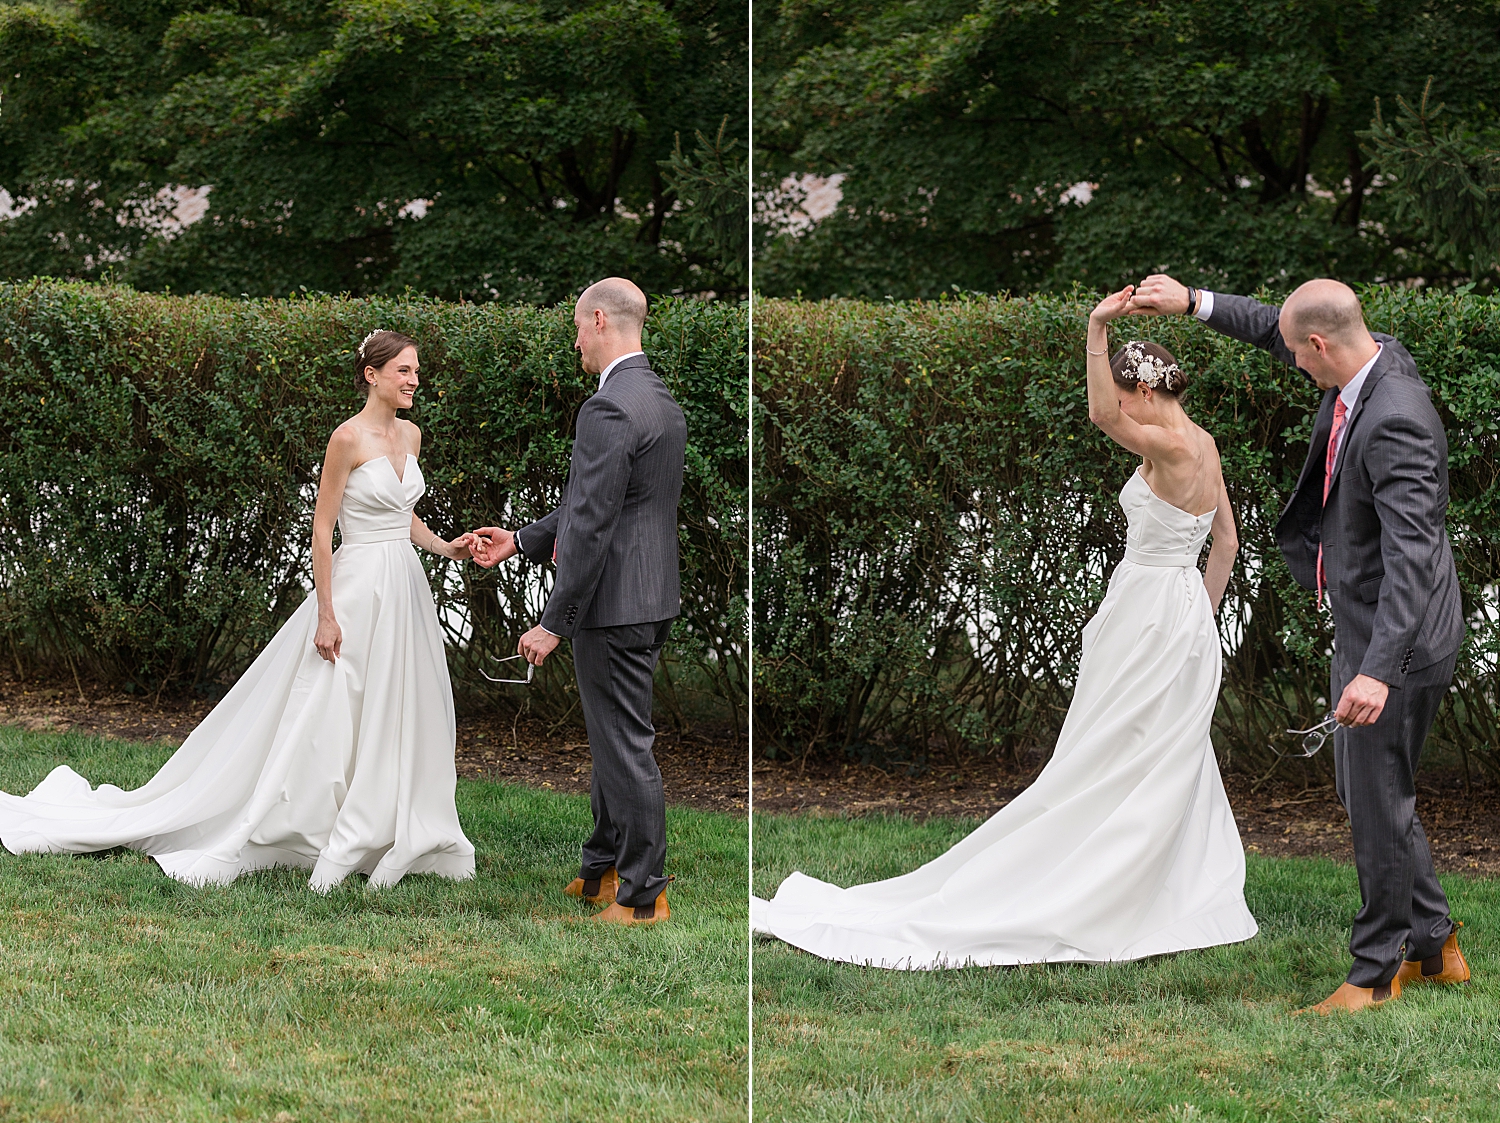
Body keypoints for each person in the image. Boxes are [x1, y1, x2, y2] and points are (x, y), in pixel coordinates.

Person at [750, 285, 1258, 967]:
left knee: (1104, 751)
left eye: (1124, 391)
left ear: (1141, 389)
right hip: (1187, 614)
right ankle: (1156, 892)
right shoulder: (1206, 442)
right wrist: (1200, 615)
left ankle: (1087, 885)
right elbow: (1224, 543)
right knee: (1158, 752)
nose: (1122, 404)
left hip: (1143, 608)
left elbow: (1099, 414)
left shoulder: (1166, 442)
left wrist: (1096, 328)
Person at [0, 331, 477, 892]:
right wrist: (326, 614)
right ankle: (307, 826)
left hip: (404, 590)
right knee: (329, 709)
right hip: (355, 588)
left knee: (396, 707)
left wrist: (448, 547)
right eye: (403, 371)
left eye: (416, 371)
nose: (414, 380)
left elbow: (403, 515)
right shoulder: (346, 439)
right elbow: (324, 532)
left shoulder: (412, 435)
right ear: (371, 375)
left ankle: (381, 824)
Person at [1129, 274, 1471, 1013]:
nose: (1294, 366)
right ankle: (1435, 941)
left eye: (1297, 355)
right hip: (1371, 626)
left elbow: (1412, 556)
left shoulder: (1397, 418)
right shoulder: (1372, 356)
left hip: (1399, 640)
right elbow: (1274, 326)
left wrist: (1377, 671)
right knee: (1368, 788)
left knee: (1376, 800)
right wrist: (1193, 302)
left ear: (1321, 345)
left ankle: (1374, 971)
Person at [470, 278, 687, 926]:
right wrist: (522, 540)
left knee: (623, 744)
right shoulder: (659, 399)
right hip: (649, 597)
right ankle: (602, 868)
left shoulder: (610, 406)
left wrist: (552, 622)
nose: (575, 342)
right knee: (611, 736)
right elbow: (594, 504)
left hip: (614, 605)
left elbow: (592, 523)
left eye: (577, 327)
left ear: (599, 320)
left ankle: (644, 896)